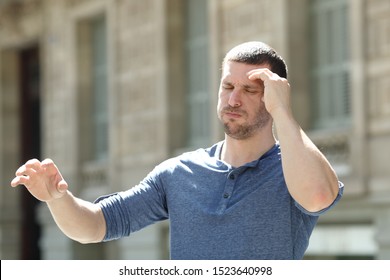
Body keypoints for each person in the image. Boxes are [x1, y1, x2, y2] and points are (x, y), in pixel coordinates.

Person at [11, 41, 343, 260]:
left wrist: (283, 111)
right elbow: (95, 226)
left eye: (250, 90)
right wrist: (57, 198)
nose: (233, 99)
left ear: (273, 96)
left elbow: (317, 196)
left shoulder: (292, 170)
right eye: (227, 86)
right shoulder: (179, 172)